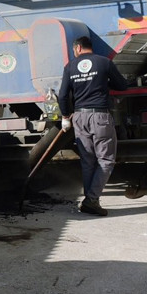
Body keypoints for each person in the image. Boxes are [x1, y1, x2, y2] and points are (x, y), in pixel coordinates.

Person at [59, 35, 129, 216]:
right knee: (105, 160)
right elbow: (122, 85)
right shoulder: (104, 63)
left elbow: (63, 96)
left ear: (78, 48)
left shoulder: (70, 67)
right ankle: (91, 200)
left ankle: (90, 200)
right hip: (100, 117)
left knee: (88, 161)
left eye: (74, 50)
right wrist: (105, 82)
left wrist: (65, 115)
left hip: (79, 117)